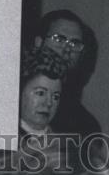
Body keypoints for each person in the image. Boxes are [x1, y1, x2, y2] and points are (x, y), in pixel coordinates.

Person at [32, 9, 101, 137]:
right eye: (58, 39)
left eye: (75, 43)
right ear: (38, 42)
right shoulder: (14, 98)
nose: (67, 49)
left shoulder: (85, 125)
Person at [18, 47, 66, 147]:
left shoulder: (64, 147)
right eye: (40, 93)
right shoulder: (3, 136)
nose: (49, 103)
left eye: (55, 97)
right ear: (20, 92)